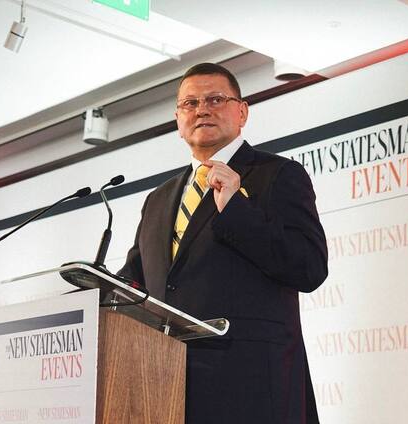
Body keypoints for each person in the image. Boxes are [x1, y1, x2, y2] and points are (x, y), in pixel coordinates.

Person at [119, 63, 328, 423]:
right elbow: (135, 283)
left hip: (250, 390)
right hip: (164, 387)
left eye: (215, 99)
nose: (202, 110)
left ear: (242, 112)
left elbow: (308, 267)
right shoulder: (158, 198)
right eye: (190, 103)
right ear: (178, 120)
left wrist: (235, 208)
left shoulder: (278, 175)